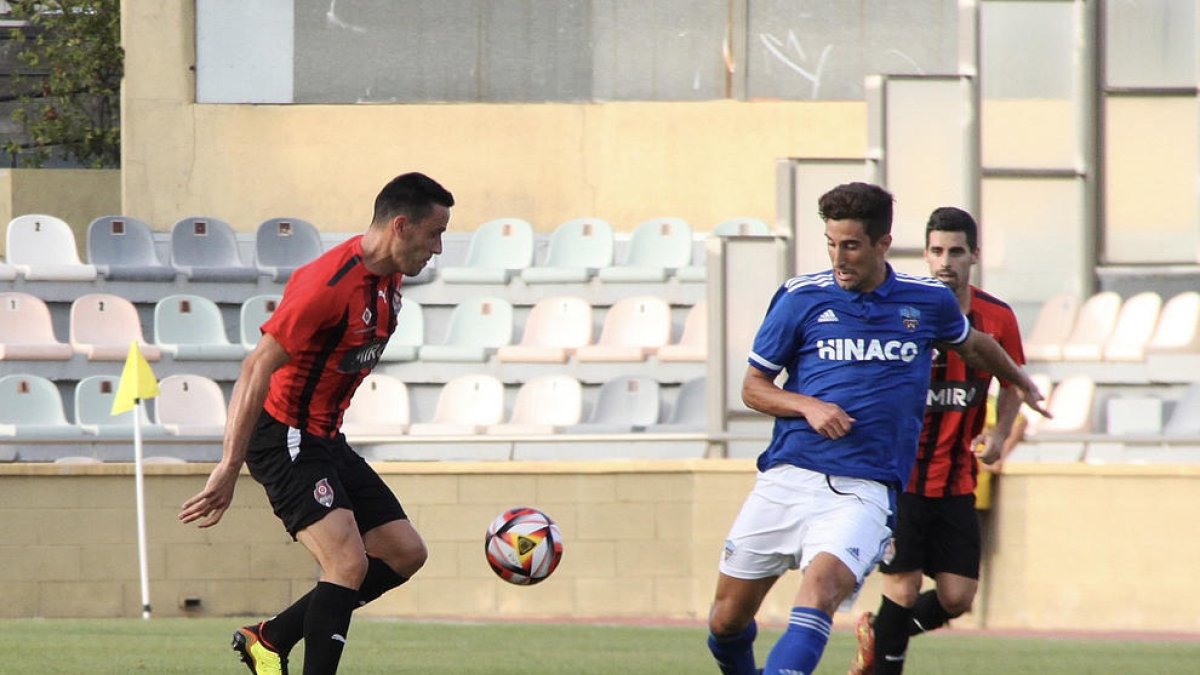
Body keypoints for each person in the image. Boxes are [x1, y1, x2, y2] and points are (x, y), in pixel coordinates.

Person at [704, 183, 1048, 675]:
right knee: (726, 622)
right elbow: (754, 387)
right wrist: (807, 406)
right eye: (830, 242)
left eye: (851, 245)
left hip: (863, 490)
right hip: (786, 477)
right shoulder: (801, 298)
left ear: (882, 243)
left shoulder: (925, 301)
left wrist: (1020, 381)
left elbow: (976, 346)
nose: (838, 257)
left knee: (819, 592)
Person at [178, 172, 454, 675]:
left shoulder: (389, 279)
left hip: (325, 437)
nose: (438, 247)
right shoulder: (326, 285)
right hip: (283, 435)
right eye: (434, 233)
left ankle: (271, 637)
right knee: (347, 563)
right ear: (400, 226)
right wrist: (228, 465)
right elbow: (256, 367)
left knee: (403, 553)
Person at [848, 207, 1026, 675]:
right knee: (902, 590)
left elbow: (1013, 383)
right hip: (901, 478)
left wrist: (1001, 433)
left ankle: (882, 628)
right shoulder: (902, 311)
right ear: (925, 255)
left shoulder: (998, 319)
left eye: (956, 251)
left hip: (956, 480)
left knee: (957, 598)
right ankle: (885, 652)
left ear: (974, 256)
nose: (946, 260)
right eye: (936, 250)